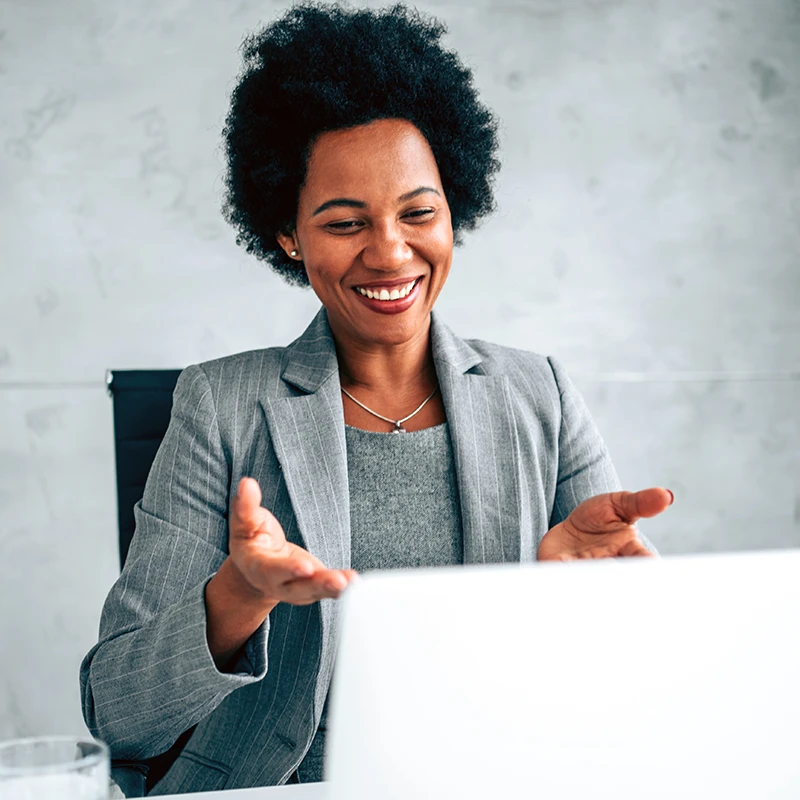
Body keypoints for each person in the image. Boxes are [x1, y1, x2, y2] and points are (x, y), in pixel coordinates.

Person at [80, 3, 673, 796]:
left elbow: (634, 685)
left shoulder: (542, 394)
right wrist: (239, 595)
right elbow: (117, 710)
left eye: (419, 213)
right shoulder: (221, 405)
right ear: (288, 234)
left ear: (454, 208)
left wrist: (572, 604)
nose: (390, 252)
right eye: (344, 221)